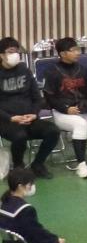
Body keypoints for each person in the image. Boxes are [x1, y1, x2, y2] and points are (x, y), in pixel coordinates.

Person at [42, 36, 87, 176]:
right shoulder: (52, 72)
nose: (77, 53)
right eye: (73, 50)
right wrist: (66, 109)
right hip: (63, 113)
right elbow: (49, 98)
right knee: (80, 124)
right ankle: (81, 165)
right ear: (63, 54)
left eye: (77, 49)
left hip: (84, 110)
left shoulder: (83, 70)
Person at [0, 38, 58, 176]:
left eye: (16, 51)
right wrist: (11, 118)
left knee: (53, 131)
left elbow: (36, 97)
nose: (15, 54)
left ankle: (38, 164)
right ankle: (18, 167)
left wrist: (34, 114)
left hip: (29, 118)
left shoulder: (24, 70)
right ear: (1, 55)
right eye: (10, 52)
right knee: (20, 136)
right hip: (6, 121)